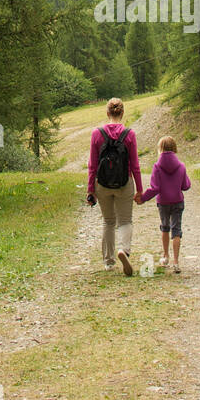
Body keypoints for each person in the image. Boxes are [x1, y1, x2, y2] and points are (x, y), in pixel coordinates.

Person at [86, 97, 142, 275]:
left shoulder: (96, 134)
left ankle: (109, 262)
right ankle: (124, 251)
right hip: (124, 183)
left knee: (108, 221)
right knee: (125, 220)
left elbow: (92, 165)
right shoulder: (129, 134)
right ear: (122, 112)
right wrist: (140, 189)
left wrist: (90, 190)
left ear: (107, 112)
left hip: (102, 184)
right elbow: (135, 165)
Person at [137, 135, 190, 273]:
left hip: (163, 202)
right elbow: (186, 186)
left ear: (160, 149)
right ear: (174, 149)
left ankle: (165, 256)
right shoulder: (181, 166)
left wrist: (143, 198)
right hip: (178, 201)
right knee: (176, 230)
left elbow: (155, 188)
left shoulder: (157, 166)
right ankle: (176, 262)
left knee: (165, 228)